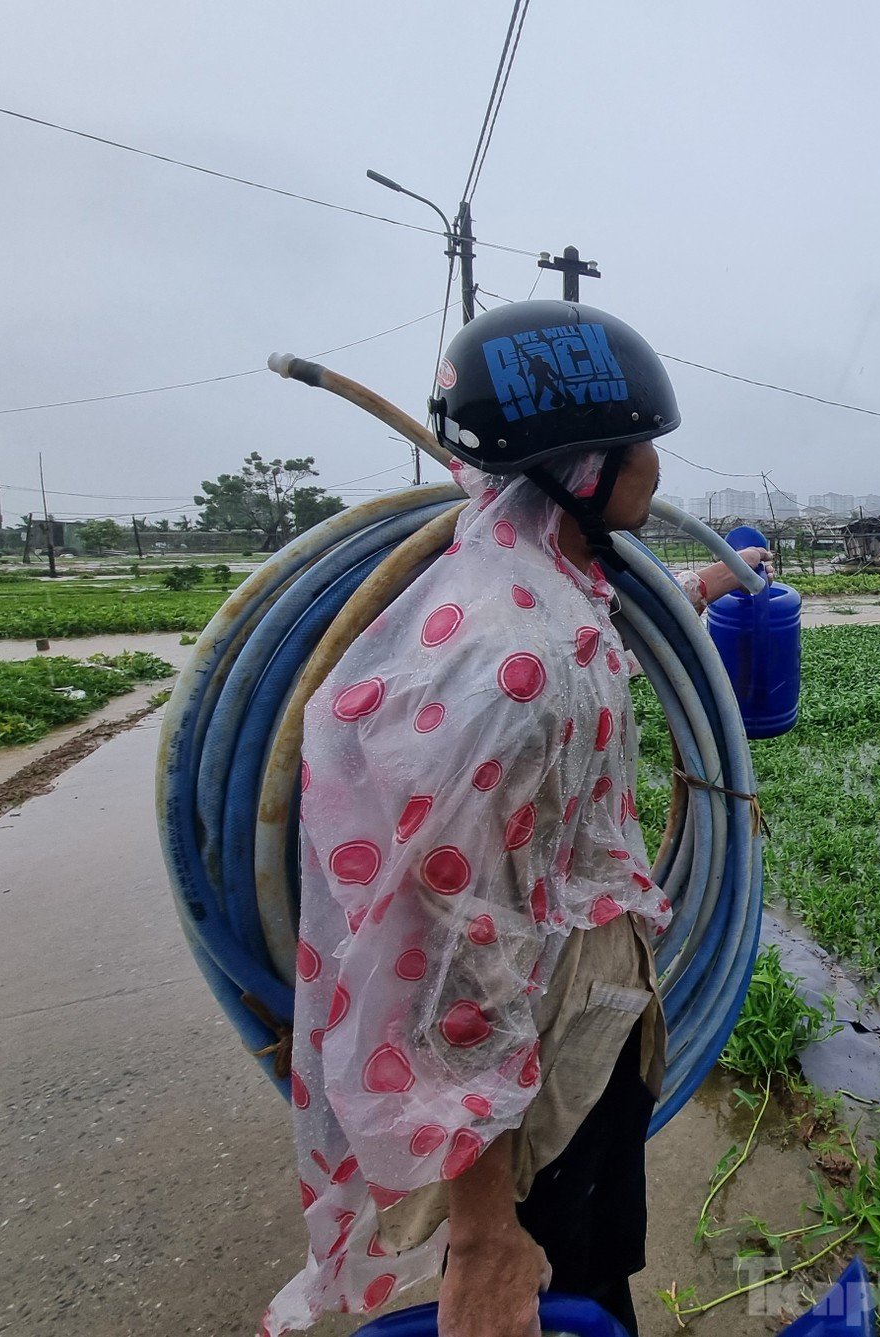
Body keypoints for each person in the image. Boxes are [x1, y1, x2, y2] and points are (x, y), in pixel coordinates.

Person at [264, 300, 766, 1337]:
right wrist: (484, 1228)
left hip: (580, 1035)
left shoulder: (537, 593)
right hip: (538, 1074)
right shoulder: (515, 672)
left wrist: (708, 584)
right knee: (559, 1290)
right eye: (643, 445)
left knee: (594, 1273)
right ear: (581, 465)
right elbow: (454, 956)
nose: (657, 469)